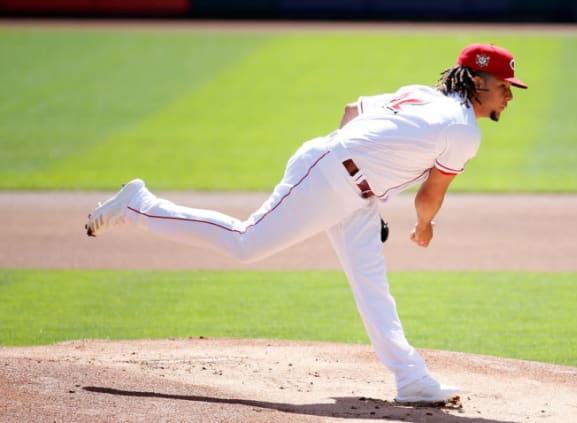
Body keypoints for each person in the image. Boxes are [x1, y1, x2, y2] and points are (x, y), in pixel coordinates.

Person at [85, 43, 527, 404]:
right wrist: (420, 225)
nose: (509, 94)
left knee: (371, 281)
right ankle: (141, 205)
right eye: (505, 85)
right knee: (246, 243)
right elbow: (431, 195)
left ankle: (410, 377)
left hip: (345, 183)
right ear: (477, 81)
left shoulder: (423, 95)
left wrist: (360, 182)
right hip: (331, 177)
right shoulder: (464, 130)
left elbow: (352, 110)